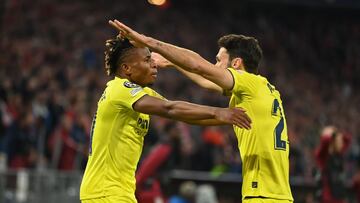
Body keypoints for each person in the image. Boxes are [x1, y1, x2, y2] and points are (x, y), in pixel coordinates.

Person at [109, 19, 293, 202]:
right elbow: (205, 81)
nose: (215, 66)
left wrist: (150, 42)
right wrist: (172, 63)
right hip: (277, 194)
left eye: (219, 60)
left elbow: (199, 66)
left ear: (236, 64)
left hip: (262, 194)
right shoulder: (261, 91)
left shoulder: (249, 83)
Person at [79, 34, 252, 203]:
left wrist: (230, 118)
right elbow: (170, 108)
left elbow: (186, 114)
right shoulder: (119, 89)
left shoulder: (141, 94)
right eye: (147, 60)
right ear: (127, 68)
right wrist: (219, 112)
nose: (154, 64)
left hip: (118, 192)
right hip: (105, 192)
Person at [315, 126, 351, 203]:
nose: (340, 141)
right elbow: (325, 141)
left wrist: (337, 133)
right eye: (337, 139)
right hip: (328, 197)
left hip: (339, 195)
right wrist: (333, 134)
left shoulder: (339, 152)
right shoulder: (322, 155)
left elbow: (348, 139)